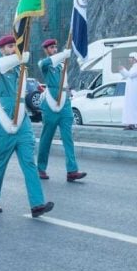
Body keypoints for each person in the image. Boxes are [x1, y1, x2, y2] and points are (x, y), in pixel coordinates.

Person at [0, 35, 52, 216]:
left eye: (15, 46)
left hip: (22, 121)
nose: (13, 49)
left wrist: (20, 62)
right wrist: (18, 57)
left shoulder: (20, 71)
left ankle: (37, 204)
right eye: (10, 46)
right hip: (5, 119)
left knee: (29, 161)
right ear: (2, 50)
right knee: (1, 161)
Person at [36, 38, 86, 182]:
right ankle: (40, 168)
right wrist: (63, 54)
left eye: (55, 47)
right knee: (47, 138)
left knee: (68, 138)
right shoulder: (45, 64)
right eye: (51, 48)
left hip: (64, 104)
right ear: (46, 50)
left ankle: (72, 170)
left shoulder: (61, 66)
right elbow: (45, 63)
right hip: (51, 103)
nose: (54, 49)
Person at [118, 53, 137, 130]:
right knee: (129, 106)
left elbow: (130, 75)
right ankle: (130, 123)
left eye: (130, 58)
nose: (129, 59)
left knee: (135, 106)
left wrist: (123, 69)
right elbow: (126, 76)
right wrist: (121, 70)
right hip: (130, 92)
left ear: (134, 58)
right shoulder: (133, 67)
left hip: (135, 91)